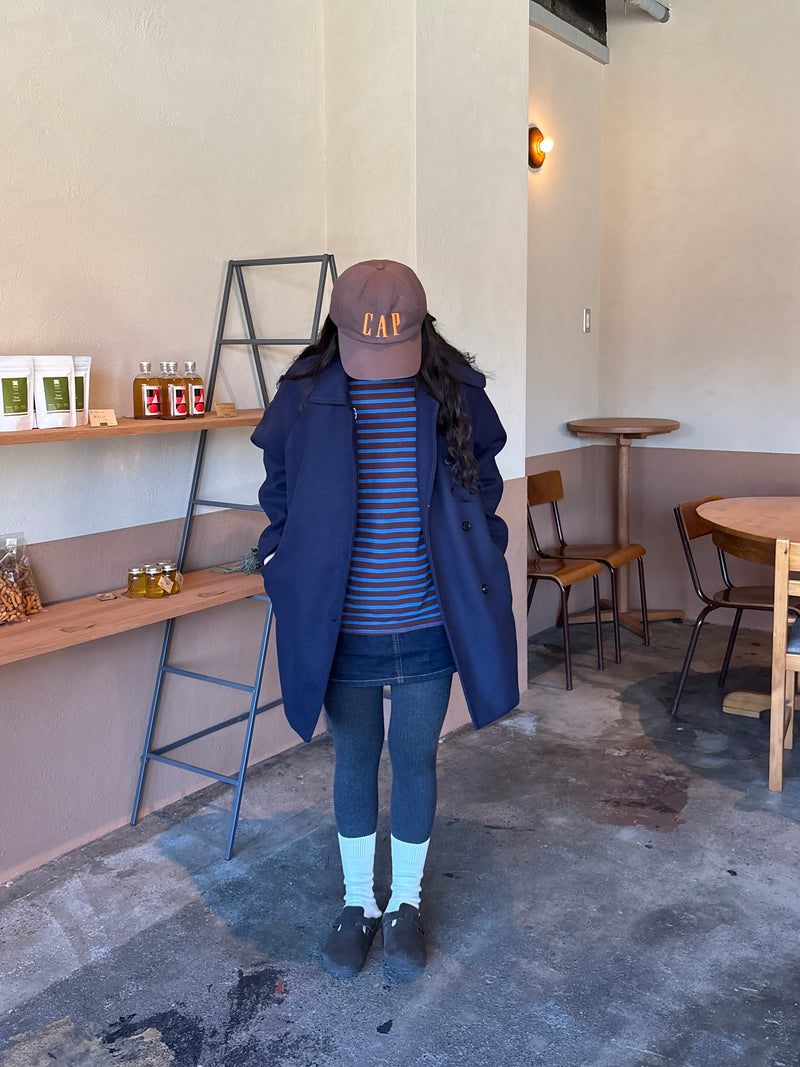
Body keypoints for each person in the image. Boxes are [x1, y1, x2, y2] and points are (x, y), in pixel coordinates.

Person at [251, 259, 518, 982]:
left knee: (416, 757)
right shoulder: (305, 394)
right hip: (341, 627)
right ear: (337, 330)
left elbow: (484, 479)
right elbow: (278, 488)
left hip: (430, 621)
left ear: (420, 328)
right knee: (354, 757)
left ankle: (404, 902)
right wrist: (278, 558)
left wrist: (483, 547)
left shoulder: (454, 389)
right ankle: (357, 903)